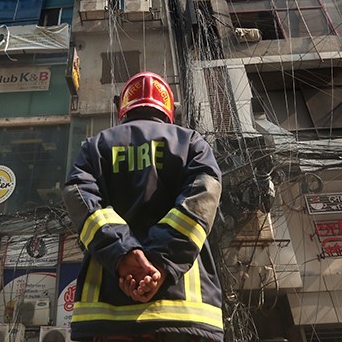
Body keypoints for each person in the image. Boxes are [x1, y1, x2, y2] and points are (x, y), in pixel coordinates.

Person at [63, 72, 224, 342]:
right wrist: (160, 264)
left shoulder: (96, 147)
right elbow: (202, 198)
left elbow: (79, 197)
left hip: (108, 314)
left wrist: (124, 256)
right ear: (168, 110)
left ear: (123, 110)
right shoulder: (191, 142)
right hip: (184, 314)